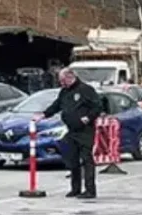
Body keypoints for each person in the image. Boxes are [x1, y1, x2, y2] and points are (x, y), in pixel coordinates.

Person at [44, 68, 103, 199]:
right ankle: (75, 188)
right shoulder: (64, 92)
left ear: (71, 77)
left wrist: (88, 117)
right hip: (71, 130)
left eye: (63, 80)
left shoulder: (85, 89)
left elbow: (98, 106)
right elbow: (57, 105)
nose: (61, 83)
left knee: (87, 159)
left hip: (85, 131)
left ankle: (90, 190)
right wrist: (44, 114)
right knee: (72, 159)